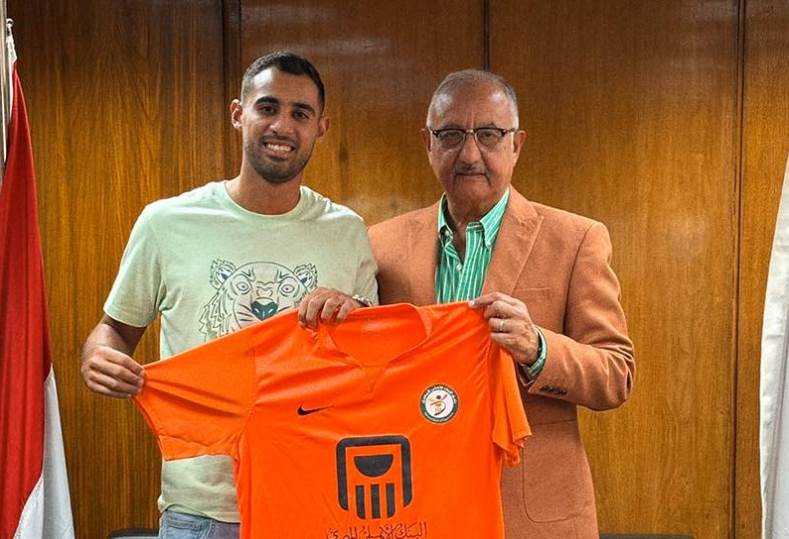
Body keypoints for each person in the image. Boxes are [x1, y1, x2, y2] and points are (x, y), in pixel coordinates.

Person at [80, 51, 377, 539]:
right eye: (268, 107)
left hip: (315, 500)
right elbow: (113, 331)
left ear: (321, 128)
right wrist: (99, 357)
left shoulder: (347, 232)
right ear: (238, 113)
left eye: (300, 113)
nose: (282, 126)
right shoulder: (166, 223)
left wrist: (356, 313)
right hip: (202, 512)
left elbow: (373, 363)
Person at [368, 69, 635, 538]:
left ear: (517, 144)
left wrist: (538, 349)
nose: (470, 154)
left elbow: (616, 375)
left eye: (489, 134)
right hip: (420, 507)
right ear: (428, 143)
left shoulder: (576, 240)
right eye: (451, 135)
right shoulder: (381, 245)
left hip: (532, 517)